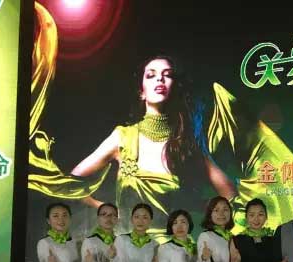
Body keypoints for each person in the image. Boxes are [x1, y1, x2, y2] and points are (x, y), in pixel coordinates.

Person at [65, 55, 235, 231]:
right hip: (126, 243)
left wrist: (201, 209)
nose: (159, 79)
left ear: (175, 88)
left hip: (172, 244)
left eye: (167, 75)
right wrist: (104, 209)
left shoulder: (186, 142)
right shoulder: (123, 137)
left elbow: (230, 194)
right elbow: (70, 183)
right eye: (151, 75)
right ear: (142, 92)